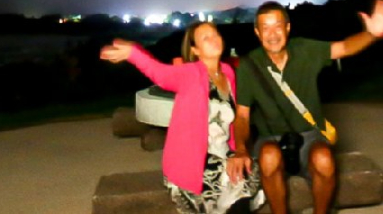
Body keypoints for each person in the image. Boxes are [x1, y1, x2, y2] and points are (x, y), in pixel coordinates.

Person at [232, 0, 383, 214]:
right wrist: (240, 149)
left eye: (277, 26)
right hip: (270, 139)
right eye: (265, 28)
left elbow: (344, 47)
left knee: (323, 158)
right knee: (268, 156)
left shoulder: (305, 49)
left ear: (288, 27)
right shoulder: (249, 66)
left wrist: (371, 34)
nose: (272, 34)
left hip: (310, 135)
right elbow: (242, 116)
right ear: (257, 32)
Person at [101, 22, 262, 214]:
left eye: (215, 34)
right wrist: (132, 53)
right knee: (235, 189)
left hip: (223, 154)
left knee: (249, 174)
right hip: (195, 163)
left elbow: (235, 120)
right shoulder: (190, 73)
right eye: (205, 38)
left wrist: (237, 151)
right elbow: (159, 72)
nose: (214, 39)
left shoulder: (228, 73)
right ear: (195, 50)